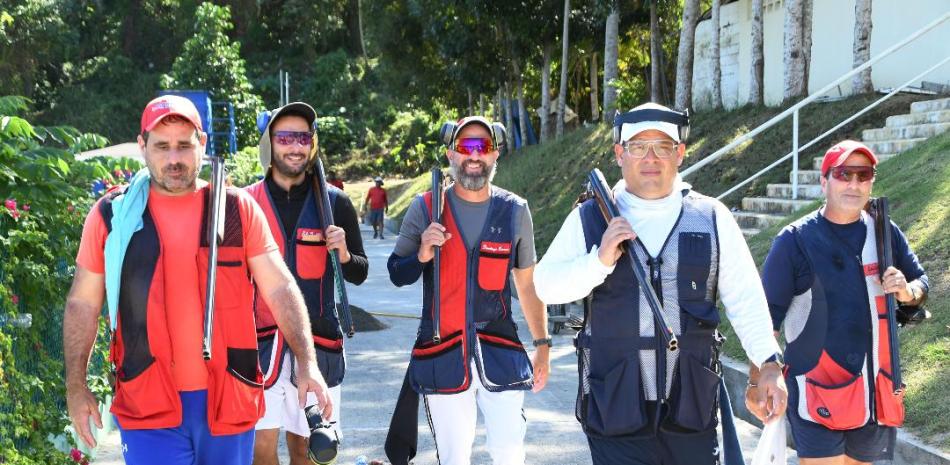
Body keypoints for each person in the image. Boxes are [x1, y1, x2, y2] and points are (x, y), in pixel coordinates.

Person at [63, 95, 333, 465]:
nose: (174, 159)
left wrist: (306, 362)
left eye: (184, 146)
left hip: (228, 398)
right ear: (143, 147)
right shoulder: (113, 217)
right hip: (146, 401)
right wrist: (75, 386)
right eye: (162, 146)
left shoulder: (236, 210)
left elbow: (280, 287)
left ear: (202, 144)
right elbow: (83, 302)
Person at [534, 102, 786, 465]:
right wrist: (599, 261)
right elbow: (546, 286)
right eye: (638, 146)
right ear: (619, 153)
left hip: (692, 408)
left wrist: (769, 365)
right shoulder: (590, 217)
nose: (650, 157)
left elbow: (745, 298)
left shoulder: (711, 217)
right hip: (615, 409)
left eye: (663, 146)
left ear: (680, 153)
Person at [387, 116, 550, 465]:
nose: (474, 156)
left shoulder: (515, 211)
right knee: (454, 456)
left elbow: (528, 284)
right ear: (450, 154)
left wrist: (543, 346)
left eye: (483, 147)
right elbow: (397, 274)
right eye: (465, 147)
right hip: (442, 353)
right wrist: (422, 253)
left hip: (501, 353)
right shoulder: (426, 207)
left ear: (495, 155)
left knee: (509, 453)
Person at [758, 140, 929, 465]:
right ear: (824, 181)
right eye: (843, 174)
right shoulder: (794, 240)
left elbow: (922, 282)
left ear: (872, 181)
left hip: (876, 391)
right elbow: (765, 320)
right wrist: (763, 375)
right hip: (816, 389)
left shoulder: (884, 232)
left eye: (863, 175)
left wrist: (906, 292)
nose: (854, 183)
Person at [245, 102, 369, 465]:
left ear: (312, 144)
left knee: (312, 449)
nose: (294, 146)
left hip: (318, 342)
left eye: (302, 137)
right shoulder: (245, 202)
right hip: (260, 344)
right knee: (259, 447)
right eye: (285, 137)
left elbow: (359, 273)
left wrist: (343, 253)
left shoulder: (335, 202)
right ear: (269, 144)